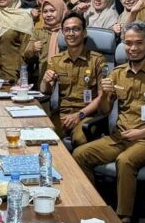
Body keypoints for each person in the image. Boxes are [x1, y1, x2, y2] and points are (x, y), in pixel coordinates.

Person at [73, 23, 145, 223]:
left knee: (125, 160)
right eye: (128, 43)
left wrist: (143, 132)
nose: (133, 48)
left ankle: (124, 219)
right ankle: (96, 208)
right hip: (119, 136)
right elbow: (104, 110)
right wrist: (105, 94)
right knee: (80, 154)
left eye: (139, 43)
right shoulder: (117, 73)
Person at [40, 12, 107, 145]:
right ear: (63, 33)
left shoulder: (97, 60)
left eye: (76, 29)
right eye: (67, 30)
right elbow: (45, 90)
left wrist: (79, 115)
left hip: (87, 115)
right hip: (61, 115)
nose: (71, 33)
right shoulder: (56, 60)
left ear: (84, 33)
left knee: (80, 138)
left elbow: (102, 96)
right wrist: (45, 81)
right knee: (40, 137)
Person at [22, 0, 66, 83]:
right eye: (45, 11)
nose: (48, 14)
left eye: (52, 11)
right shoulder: (38, 32)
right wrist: (32, 49)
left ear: (61, 11)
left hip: (66, 79)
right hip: (44, 80)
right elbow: (26, 55)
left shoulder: (68, 31)